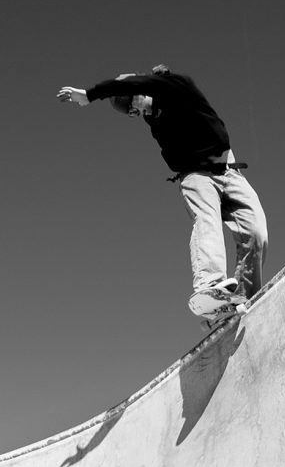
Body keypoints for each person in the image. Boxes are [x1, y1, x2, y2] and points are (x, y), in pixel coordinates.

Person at [57, 65, 267, 318]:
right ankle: (210, 287)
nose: (138, 114)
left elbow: (135, 83)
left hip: (230, 172)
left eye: (134, 107)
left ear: (140, 91)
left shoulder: (175, 88)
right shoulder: (154, 119)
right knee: (207, 221)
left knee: (256, 234)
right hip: (196, 177)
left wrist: (90, 95)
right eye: (132, 114)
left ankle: (244, 296)